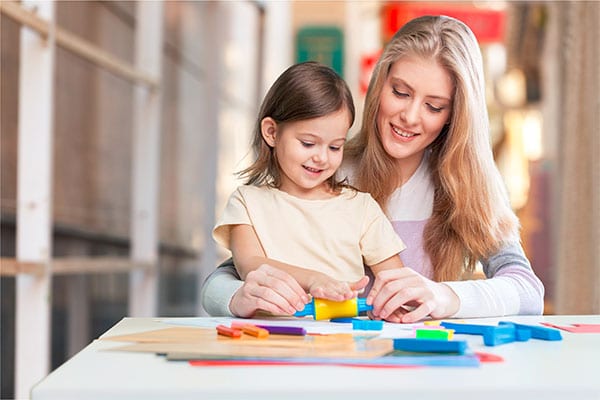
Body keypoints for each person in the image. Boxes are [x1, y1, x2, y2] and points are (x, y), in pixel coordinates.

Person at [201, 15, 544, 322]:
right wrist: (236, 298)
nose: (409, 116)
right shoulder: (327, 168)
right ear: (379, 84)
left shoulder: (471, 187)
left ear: (455, 116)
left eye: (434, 106)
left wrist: (446, 296)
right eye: (400, 92)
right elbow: (232, 273)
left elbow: (528, 291)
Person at [210, 61, 406, 317]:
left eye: (335, 147)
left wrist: (393, 307)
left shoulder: (361, 208)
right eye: (308, 143)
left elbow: (395, 282)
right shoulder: (247, 202)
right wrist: (314, 280)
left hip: (342, 344)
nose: (322, 158)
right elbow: (252, 267)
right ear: (271, 132)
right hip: (268, 343)